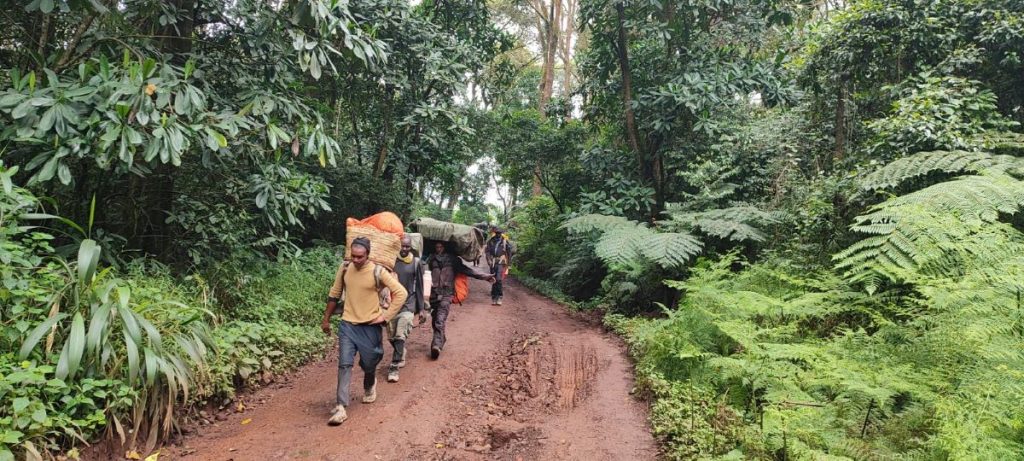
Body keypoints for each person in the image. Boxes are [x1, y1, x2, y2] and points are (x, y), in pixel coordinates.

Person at [320, 237, 408, 426]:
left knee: (369, 364)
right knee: (344, 364)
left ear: (368, 255)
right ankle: (341, 407)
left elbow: (401, 293)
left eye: (360, 257)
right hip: (347, 325)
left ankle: (370, 384)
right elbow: (335, 293)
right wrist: (326, 319)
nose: (356, 260)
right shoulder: (345, 268)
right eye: (353, 256)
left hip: (370, 326)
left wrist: (385, 316)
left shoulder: (378, 271)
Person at [422, 241, 494, 359]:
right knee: (435, 321)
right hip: (433, 295)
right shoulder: (431, 259)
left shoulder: (453, 260)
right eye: (436, 247)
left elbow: (468, 270)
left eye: (440, 246)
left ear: (445, 247)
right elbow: (424, 274)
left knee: (440, 320)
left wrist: (485, 276)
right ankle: (442, 339)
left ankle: (436, 345)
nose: (438, 249)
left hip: (447, 294)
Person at [386, 235, 426, 383]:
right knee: (391, 335)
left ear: (411, 247)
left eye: (407, 246)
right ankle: (401, 350)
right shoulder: (390, 261)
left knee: (400, 333)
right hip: (391, 304)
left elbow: (420, 287)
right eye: (402, 246)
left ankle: (394, 367)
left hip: (409, 303)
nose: (404, 249)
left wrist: (421, 308)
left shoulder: (415, 263)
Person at [485, 227, 515, 306]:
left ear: (501, 233)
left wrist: (509, 264)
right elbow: (487, 251)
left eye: (499, 233)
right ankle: (494, 298)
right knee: (493, 279)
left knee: (499, 279)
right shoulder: (491, 241)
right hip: (493, 262)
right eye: (497, 233)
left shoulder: (505, 241)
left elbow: (509, 253)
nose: (498, 234)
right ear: (495, 232)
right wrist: (488, 260)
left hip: (501, 262)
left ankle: (500, 297)